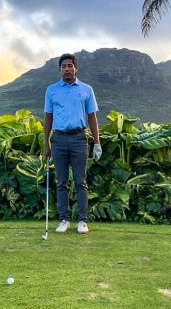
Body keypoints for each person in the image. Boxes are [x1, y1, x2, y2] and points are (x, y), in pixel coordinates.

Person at [44, 53, 102, 234]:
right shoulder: (51, 90)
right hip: (59, 139)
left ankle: (82, 221)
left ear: (76, 68)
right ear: (60, 69)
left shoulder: (86, 89)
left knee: (80, 181)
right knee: (61, 181)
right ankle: (64, 219)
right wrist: (46, 143)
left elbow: (92, 117)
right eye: (64, 66)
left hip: (78, 138)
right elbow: (48, 117)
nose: (67, 69)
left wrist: (97, 143)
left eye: (70, 66)